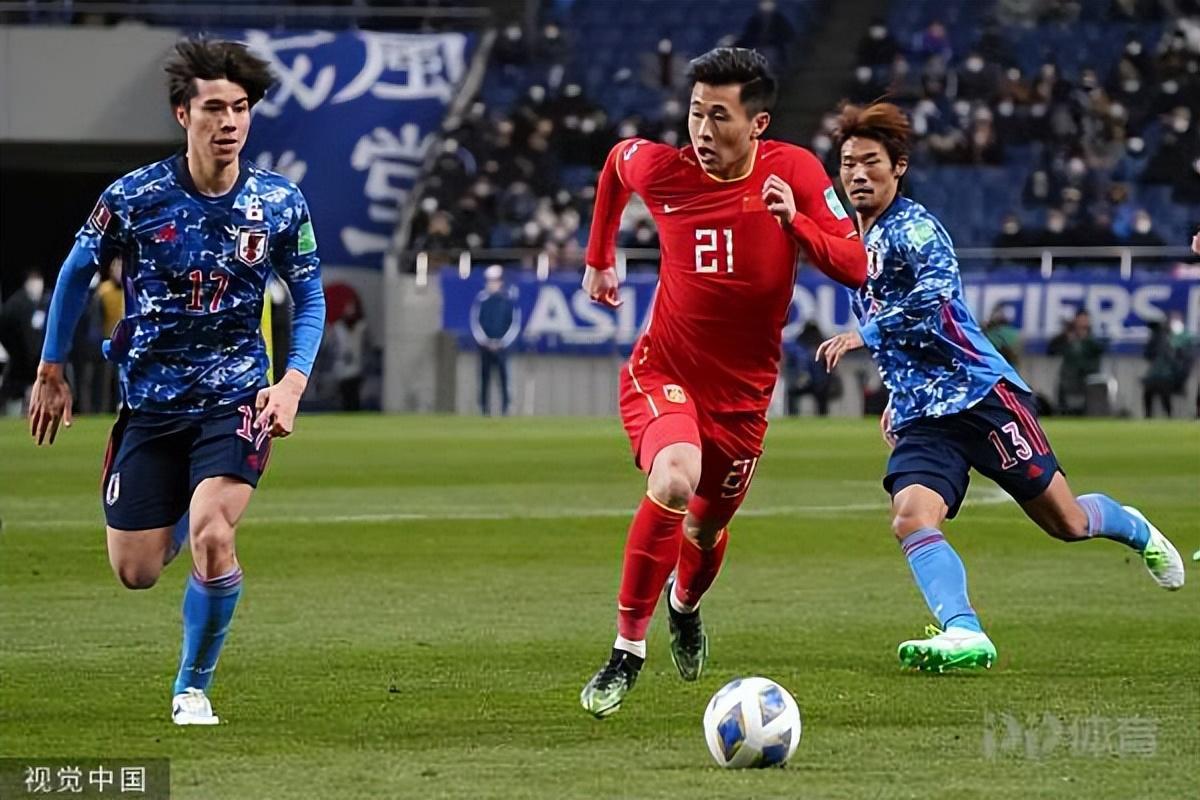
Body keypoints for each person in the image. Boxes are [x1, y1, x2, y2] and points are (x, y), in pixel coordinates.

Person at [815, 101, 1183, 673]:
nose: (858, 174)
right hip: (923, 415)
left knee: (1067, 523)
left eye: (871, 162)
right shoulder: (851, 244)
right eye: (848, 164)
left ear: (899, 167)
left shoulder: (915, 229)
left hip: (982, 397)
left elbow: (936, 299)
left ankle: (1133, 526)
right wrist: (897, 392)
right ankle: (964, 631)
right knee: (911, 516)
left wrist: (867, 334)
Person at [27, 38, 325, 725]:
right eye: (214, 108)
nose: (230, 122)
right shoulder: (135, 197)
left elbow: (308, 296)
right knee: (136, 571)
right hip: (152, 405)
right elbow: (76, 271)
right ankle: (181, 499)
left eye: (241, 108)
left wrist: (291, 384)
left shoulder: (279, 203)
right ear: (182, 114)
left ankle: (192, 686)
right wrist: (51, 368)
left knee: (215, 534)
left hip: (237, 400)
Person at [579, 47, 867, 717]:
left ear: (758, 123)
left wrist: (795, 222)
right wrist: (599, 257)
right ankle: (626, 649)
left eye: (719, 116)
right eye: (695, 113)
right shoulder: (667, 170)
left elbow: (855, 264)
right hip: (664, 372)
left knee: (704, 533)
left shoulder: (795, 171)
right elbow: (617, 162)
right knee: (674, 477)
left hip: (742, 400)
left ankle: (684, 606)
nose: (702, 131)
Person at [470, 264, 520, 415]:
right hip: (485, 347)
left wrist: (502, 342)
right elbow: (475, 322)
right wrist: (485, 341)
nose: (493, 284)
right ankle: (484, 408)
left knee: (504, 377)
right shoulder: (481, 300)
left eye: (496, 280)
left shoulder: (508, 301)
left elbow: (514, 324)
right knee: (484, 377)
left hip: (502, 347)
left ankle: (505, 407)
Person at [0, 269, 49, 415]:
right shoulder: (17, 304)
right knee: (16, 391)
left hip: (34, 358)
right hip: (19, 359)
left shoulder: (41, 303)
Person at [1047, 310, 1106, 415]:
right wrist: (1066, 336)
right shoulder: (1068, 337)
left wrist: (1085, 338)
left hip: (1088, 376)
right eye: (1080, 320)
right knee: (1064, 404)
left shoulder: (1092, 339)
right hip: (1069, 377)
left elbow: (1100, 350)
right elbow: (1051, 350)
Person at [330, 300, 367, 412]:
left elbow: (366, 347)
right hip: (341, 366)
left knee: (355, 395)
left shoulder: (361, 328)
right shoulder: (338, 328)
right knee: (344, 395)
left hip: (357, 366)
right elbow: (332, 347)